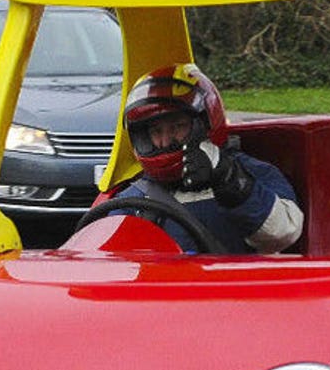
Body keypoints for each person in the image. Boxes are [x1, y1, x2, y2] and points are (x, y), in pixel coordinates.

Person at [117, 63, 303, 254]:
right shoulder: (134, 198)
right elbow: (107, 259)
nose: (165, 141)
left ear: (206, 122)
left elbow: (284, 233)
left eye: (177, 127)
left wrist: (230, 182)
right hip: (167, 283)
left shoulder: (254, 174)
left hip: (237, 281)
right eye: (156, 131)